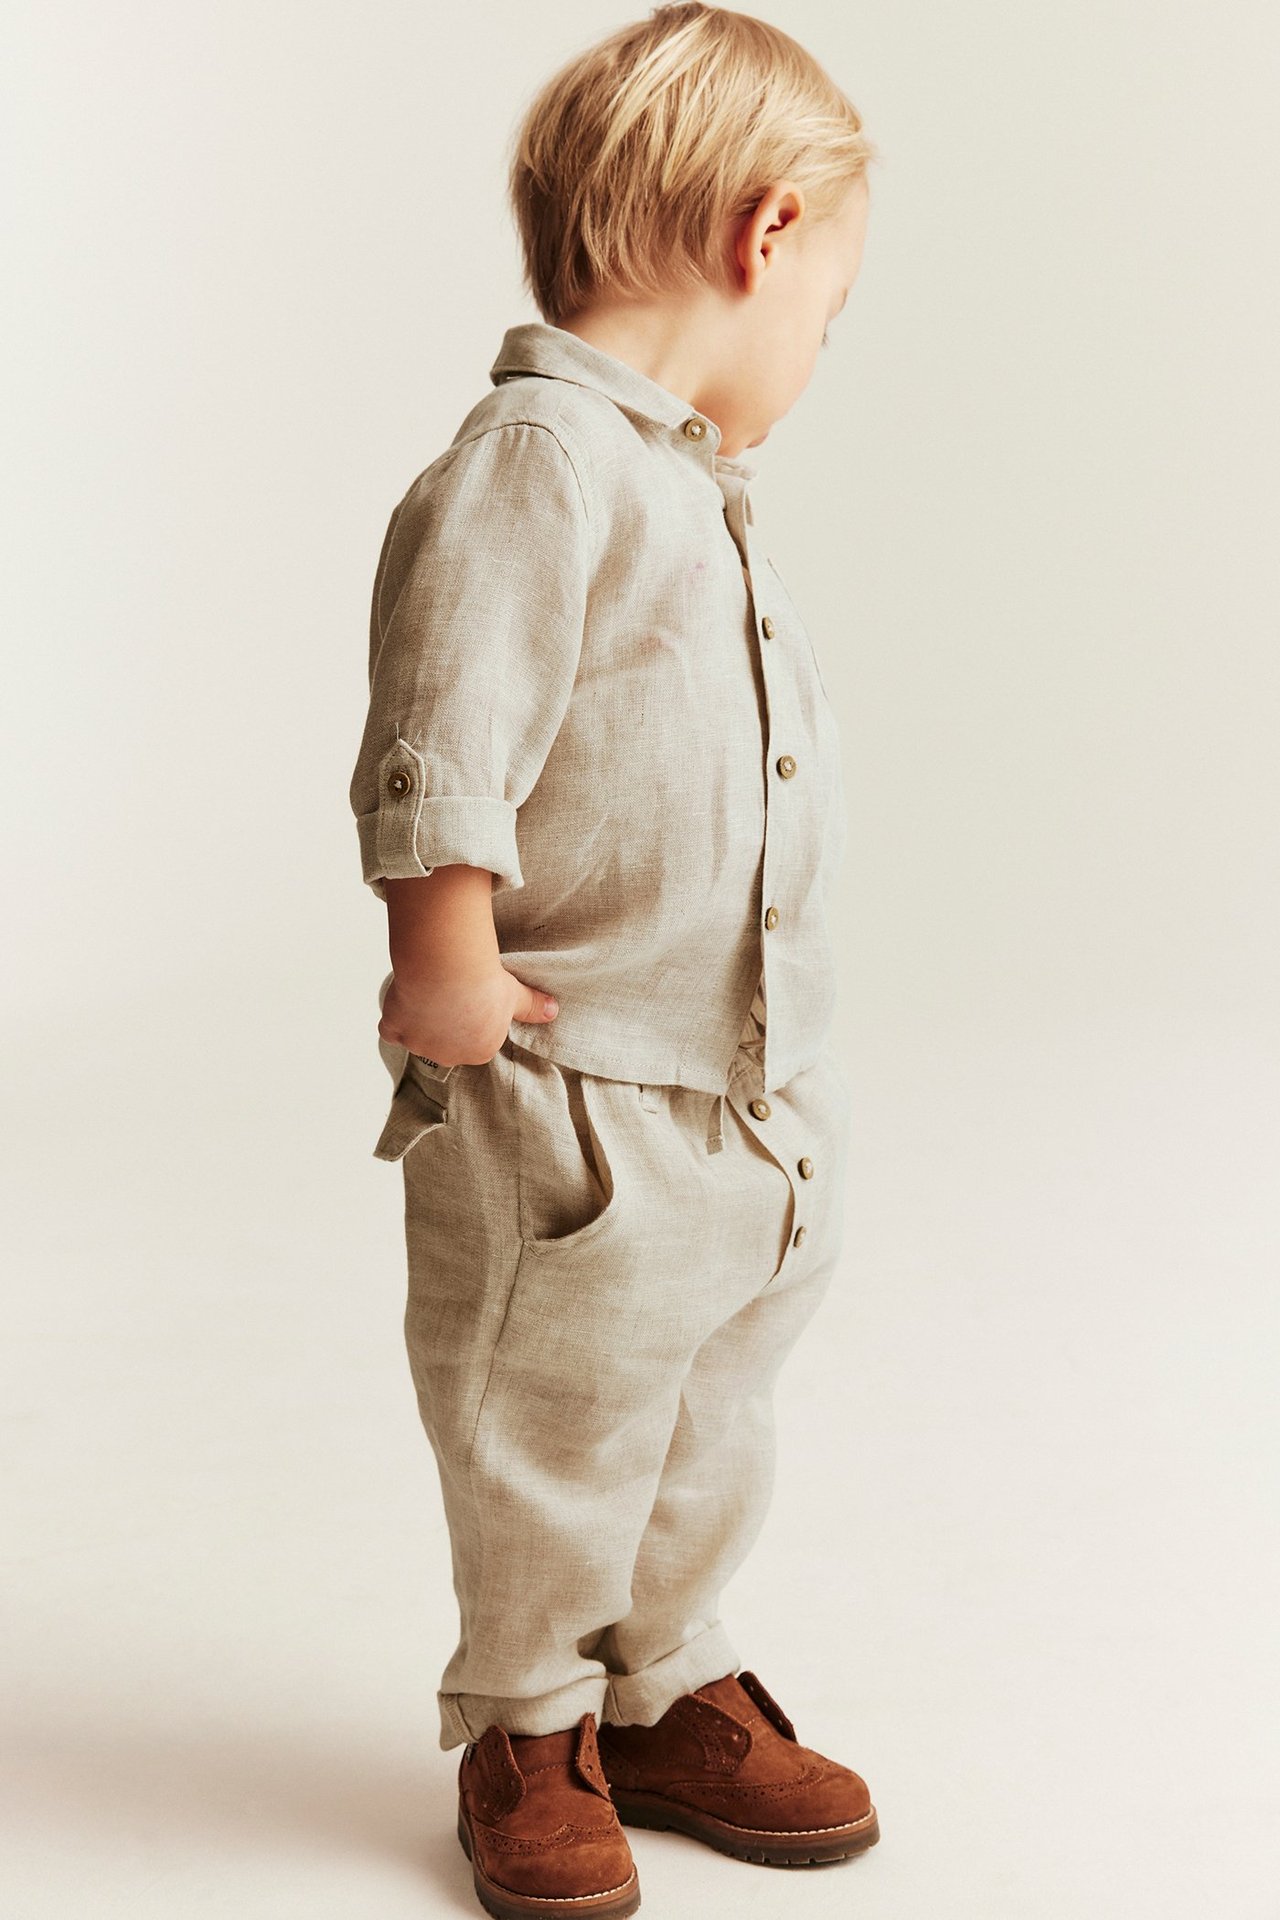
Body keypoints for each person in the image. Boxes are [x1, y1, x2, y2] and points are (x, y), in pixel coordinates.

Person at [348, 5, 880, 1914]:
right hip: (566, 1077)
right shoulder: (538, 463)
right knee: (551, 1415)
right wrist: (445, 954)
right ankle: (525, 1713)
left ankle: (659, 1680)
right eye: (833, 306)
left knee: (704, 1404)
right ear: (766, 233)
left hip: (727, 1080)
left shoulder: (682, 481)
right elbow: (449, 723)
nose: (819, 345)